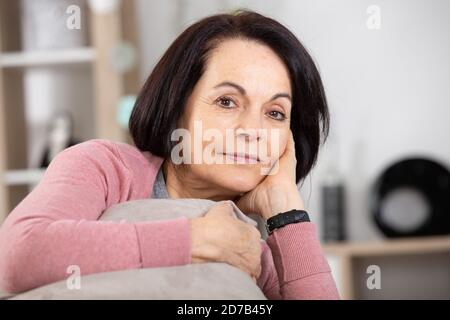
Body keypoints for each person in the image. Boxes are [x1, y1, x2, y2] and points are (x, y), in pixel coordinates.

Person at [0, 10, 339, 299]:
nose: (252, 130)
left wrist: (287, 209)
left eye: (276, 113)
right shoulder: (105, 168)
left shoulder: (249, 250)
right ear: (177, 106)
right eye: (226, 101)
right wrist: (193, 240)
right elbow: (15, 258)